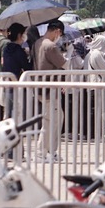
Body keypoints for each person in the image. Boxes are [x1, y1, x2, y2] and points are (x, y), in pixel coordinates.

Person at [35, 20, 67, 161]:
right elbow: (64, 64)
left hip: (40, 87)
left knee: (50, 119)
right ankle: (46, 151)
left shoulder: (37, 43)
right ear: (57, 31)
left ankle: (45, 150)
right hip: (50, 88)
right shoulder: (50, 46)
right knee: (54, 120)